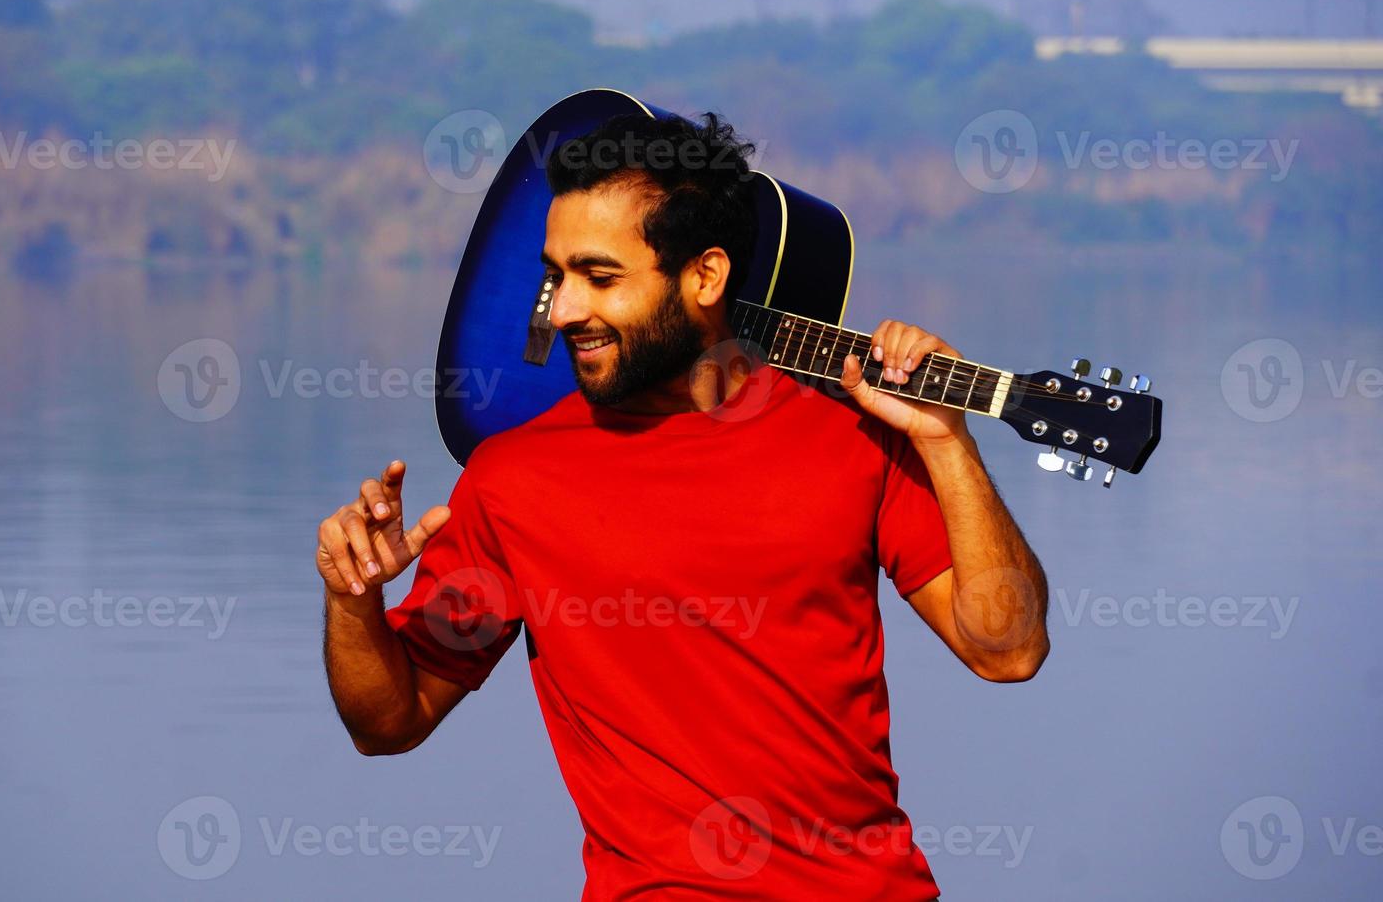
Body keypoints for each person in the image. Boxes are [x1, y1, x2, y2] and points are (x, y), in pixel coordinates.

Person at [318, 111, 1049, 900]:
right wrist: (353, 600)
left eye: (599, 278)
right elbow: (388, 724)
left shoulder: (854, 434)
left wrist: (947, 443)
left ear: (705, 277)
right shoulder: (512, 477)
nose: (560, 310)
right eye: (555, 275)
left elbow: (1007, 651)